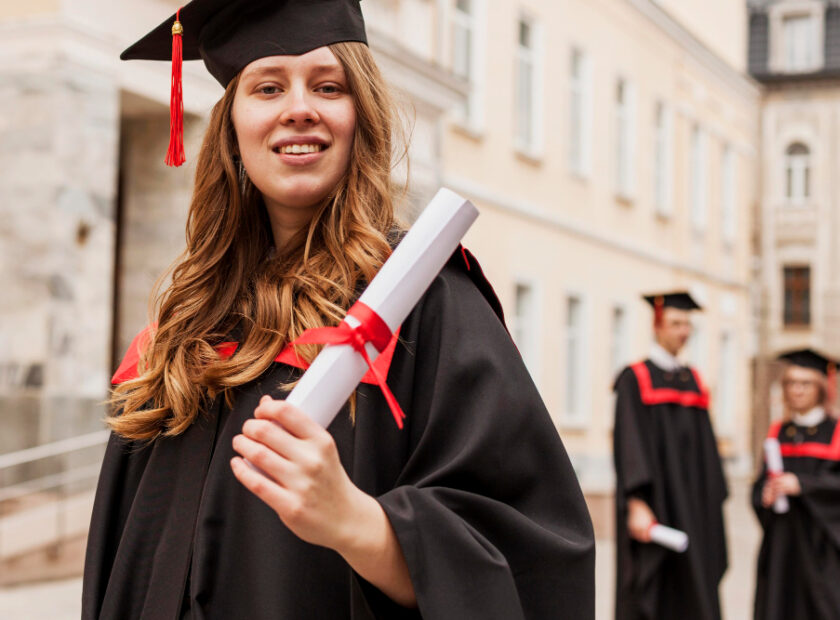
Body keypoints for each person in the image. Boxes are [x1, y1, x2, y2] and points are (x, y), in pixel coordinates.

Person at [81, 1, 595, 618]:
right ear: (232, 127)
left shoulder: (421, 307)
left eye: (328, 87)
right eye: (267, 86)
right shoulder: (184, 323)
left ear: (361, 118)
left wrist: (357, 522)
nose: (299, 107)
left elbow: (533, 555)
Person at [612, 292, 728, 620]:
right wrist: (636, 502)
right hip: (657, 503)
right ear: (657, 325)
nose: (684, 331)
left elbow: (707, 450)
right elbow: (628, 442)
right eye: (676, 323)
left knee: (695, 588)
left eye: (688, 325)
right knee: (653, 588)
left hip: (694, 507)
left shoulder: (693, 380)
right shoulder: (635, 378)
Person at [752, 348, 840, 619]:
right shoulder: (779, 433)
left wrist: (803, 485)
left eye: (805, 384)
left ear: (823, 387)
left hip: (829, 551)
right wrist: (764, 494)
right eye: (790, 383)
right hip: (784, 551)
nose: (796, 390)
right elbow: (758, 486)